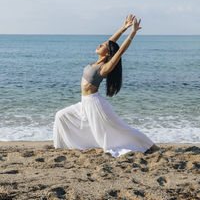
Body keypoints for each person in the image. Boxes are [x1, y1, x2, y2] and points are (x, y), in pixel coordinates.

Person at [53, 14, 159, 157]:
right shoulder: (98, 61)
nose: (99, 45)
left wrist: (132, 33)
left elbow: (120, 51)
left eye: (102, 46)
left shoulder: (104, 67)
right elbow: (111, 42)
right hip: (84, 103)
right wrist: (123, 28)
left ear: (108, 53)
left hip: (95, 104)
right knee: (61, 116)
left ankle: (151, 145)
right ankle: (62, 146)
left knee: (120, 128)